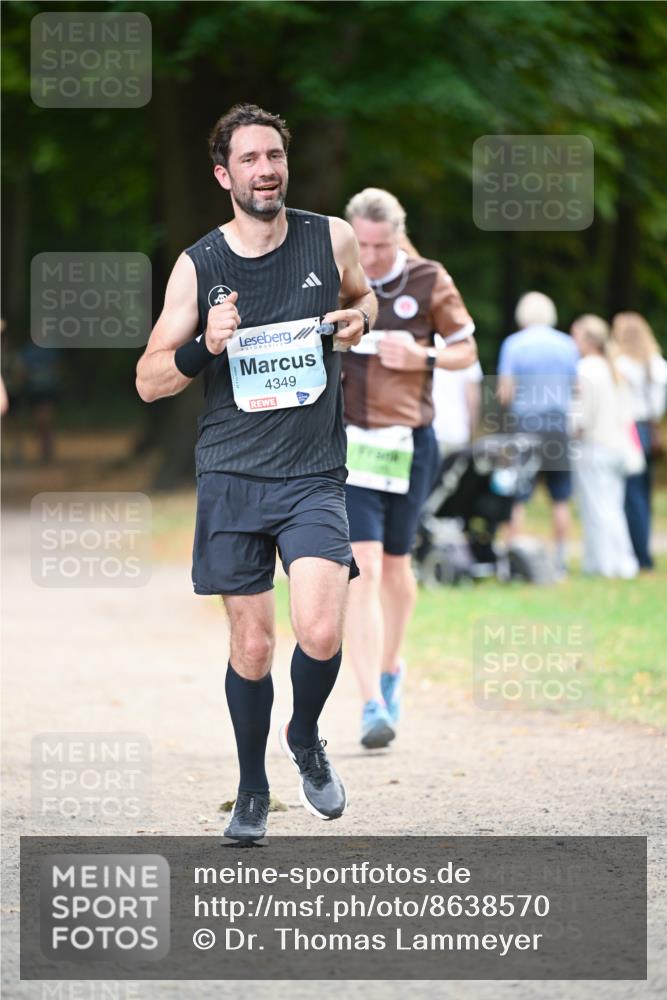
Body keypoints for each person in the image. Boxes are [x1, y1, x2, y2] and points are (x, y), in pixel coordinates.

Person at [135, 104, 377, 842]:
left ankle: (303, 735)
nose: (265, 169)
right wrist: (205, 344)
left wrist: (360, 317)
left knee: (322, 630)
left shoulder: (327, 236)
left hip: (312, 472)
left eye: (273, 155)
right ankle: (250, 790)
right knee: (252, 646)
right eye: (248, 159)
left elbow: (363, 295)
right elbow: (149, 380)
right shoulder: (198, 265)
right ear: (223, 175)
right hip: (234, 473)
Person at [341, 188, 476, 749]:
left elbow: (466, 349)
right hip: (347, 442)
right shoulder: (332, 271)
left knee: (397, 568)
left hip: (409, 444)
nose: (369, 257)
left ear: (398, 235)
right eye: (360, 244)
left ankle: (393, 668)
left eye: (379, 245)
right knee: (363, 569)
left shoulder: (427, 278)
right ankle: (371, 702)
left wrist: (419, 354)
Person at [497, 292, 579, 578]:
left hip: (526, 428)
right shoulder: (567, 344)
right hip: (558, 428)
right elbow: (576, 387)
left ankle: (513, 558)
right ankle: (561, 560)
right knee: (560, 497)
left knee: (517, 496)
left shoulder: (514, 344)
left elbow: (506, 390)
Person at [569, 314, 639, 579]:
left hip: (594, 448)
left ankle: (603, 564)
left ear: (587, 339)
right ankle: (623, 563)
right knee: (613, 508)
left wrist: (572, 435)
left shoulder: (586, 369)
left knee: (596, 509)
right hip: (617, 446)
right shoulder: (614, 369)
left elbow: (580, 416)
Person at [611, 312, 667, 570]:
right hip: (649, 430)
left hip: (628, 431)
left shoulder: (620, 365)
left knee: (631, 494)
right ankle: (643, 550)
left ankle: (637, 553)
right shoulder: (657, 364)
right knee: (644, 493)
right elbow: (658, 407)